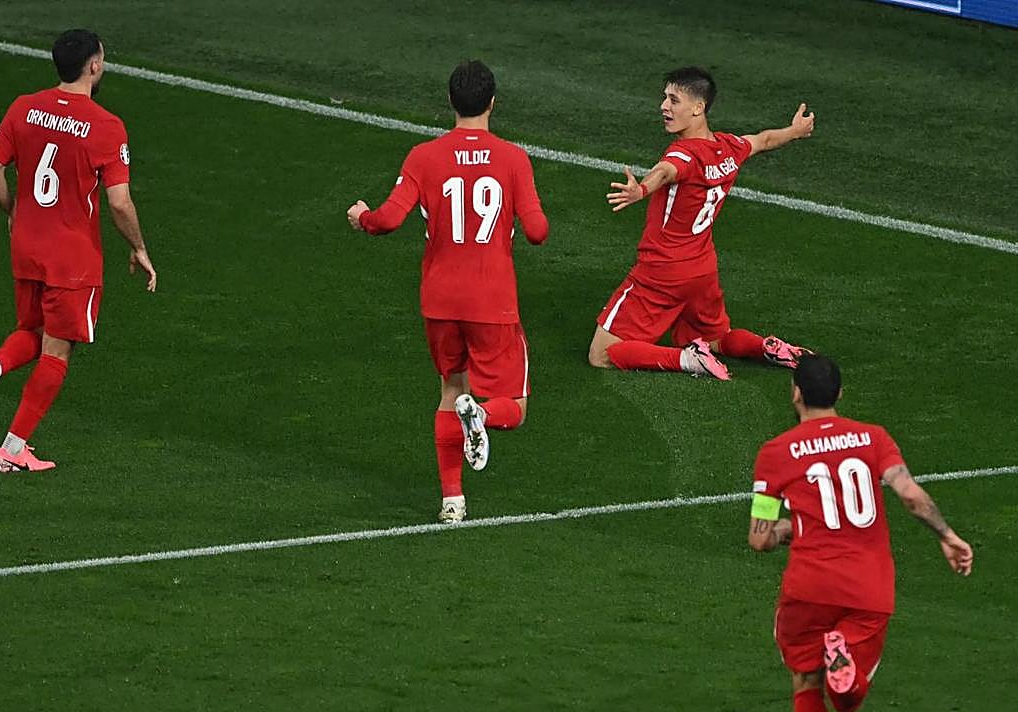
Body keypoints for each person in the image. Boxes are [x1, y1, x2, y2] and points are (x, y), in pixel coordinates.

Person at [748, 354, 974, 712]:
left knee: (805, 681)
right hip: (870, 588)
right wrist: (948, 536)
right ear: (840, 394)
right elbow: (910, 496)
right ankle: (845, 660)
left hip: (809, 588)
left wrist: (791, 528)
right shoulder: (873, 438)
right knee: (848, 702)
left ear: (795, 393)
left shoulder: (775, 452)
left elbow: (759, 539)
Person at [0, 28, 157, 472]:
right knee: (57, 352)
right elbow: (119, 202)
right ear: (94, 66)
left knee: (34, 328)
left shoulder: (23, 107)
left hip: (26, 247)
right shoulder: (106, 126)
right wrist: (138, 247)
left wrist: (13, 211)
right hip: (72, 259)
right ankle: (12, 449)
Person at [347, 60, 548, 523]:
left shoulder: (424, 156)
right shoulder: (513, 159)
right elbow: (538, 232)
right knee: (514, 407)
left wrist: (363, 218)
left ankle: (452, 500)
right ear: (493, 102)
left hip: (439, 300)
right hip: (491, 300)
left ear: (450, 102)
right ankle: (481, 417)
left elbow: (388, 219)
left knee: (450, 389)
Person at [589, 66, 811, 379]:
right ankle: (765, 347)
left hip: (663, 271)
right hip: (702, 270)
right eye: (665, 98)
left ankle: (688, 360)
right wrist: (795, 131)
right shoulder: (730, 147)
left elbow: (666, 171)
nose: (663, 106)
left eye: (673, 100)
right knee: (716, 338)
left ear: (698, 108)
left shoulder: (685, 154)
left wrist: (641, 190)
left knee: (601, 354)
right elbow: (763, 140)